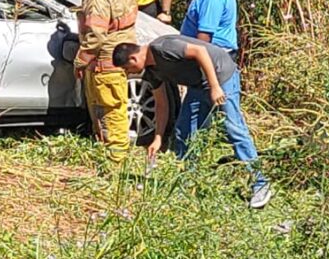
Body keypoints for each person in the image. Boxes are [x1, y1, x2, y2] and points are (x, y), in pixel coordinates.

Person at [113, 36, 272, 208]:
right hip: (197, 86)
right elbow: (161, 104)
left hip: (221, 76)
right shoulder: (152, 72)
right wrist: (158, 138)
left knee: (233, 128)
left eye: (127, 69)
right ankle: (189, 182)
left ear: (133, 58)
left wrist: (215, 86)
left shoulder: (163, 47)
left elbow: (199, 51)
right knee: (183, 132)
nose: (129, 74)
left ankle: (260, 183)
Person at [75, 0, 138, 164]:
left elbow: (96, 35)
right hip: (121, 56)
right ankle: (111, 156)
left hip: (104, 62)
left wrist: (80, 61)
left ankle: (114, 161)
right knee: (116, 108)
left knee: (108, 113)